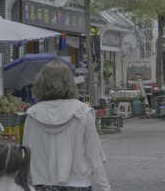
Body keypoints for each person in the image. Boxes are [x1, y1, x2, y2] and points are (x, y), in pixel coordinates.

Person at [23, 60, 111, 191]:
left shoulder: (32, 115)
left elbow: (26, 156)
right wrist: (105, 187)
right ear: (70, 83)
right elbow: (94, 156)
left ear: (41, 83)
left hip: (41, 184)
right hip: (78, 183)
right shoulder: (83, 113)